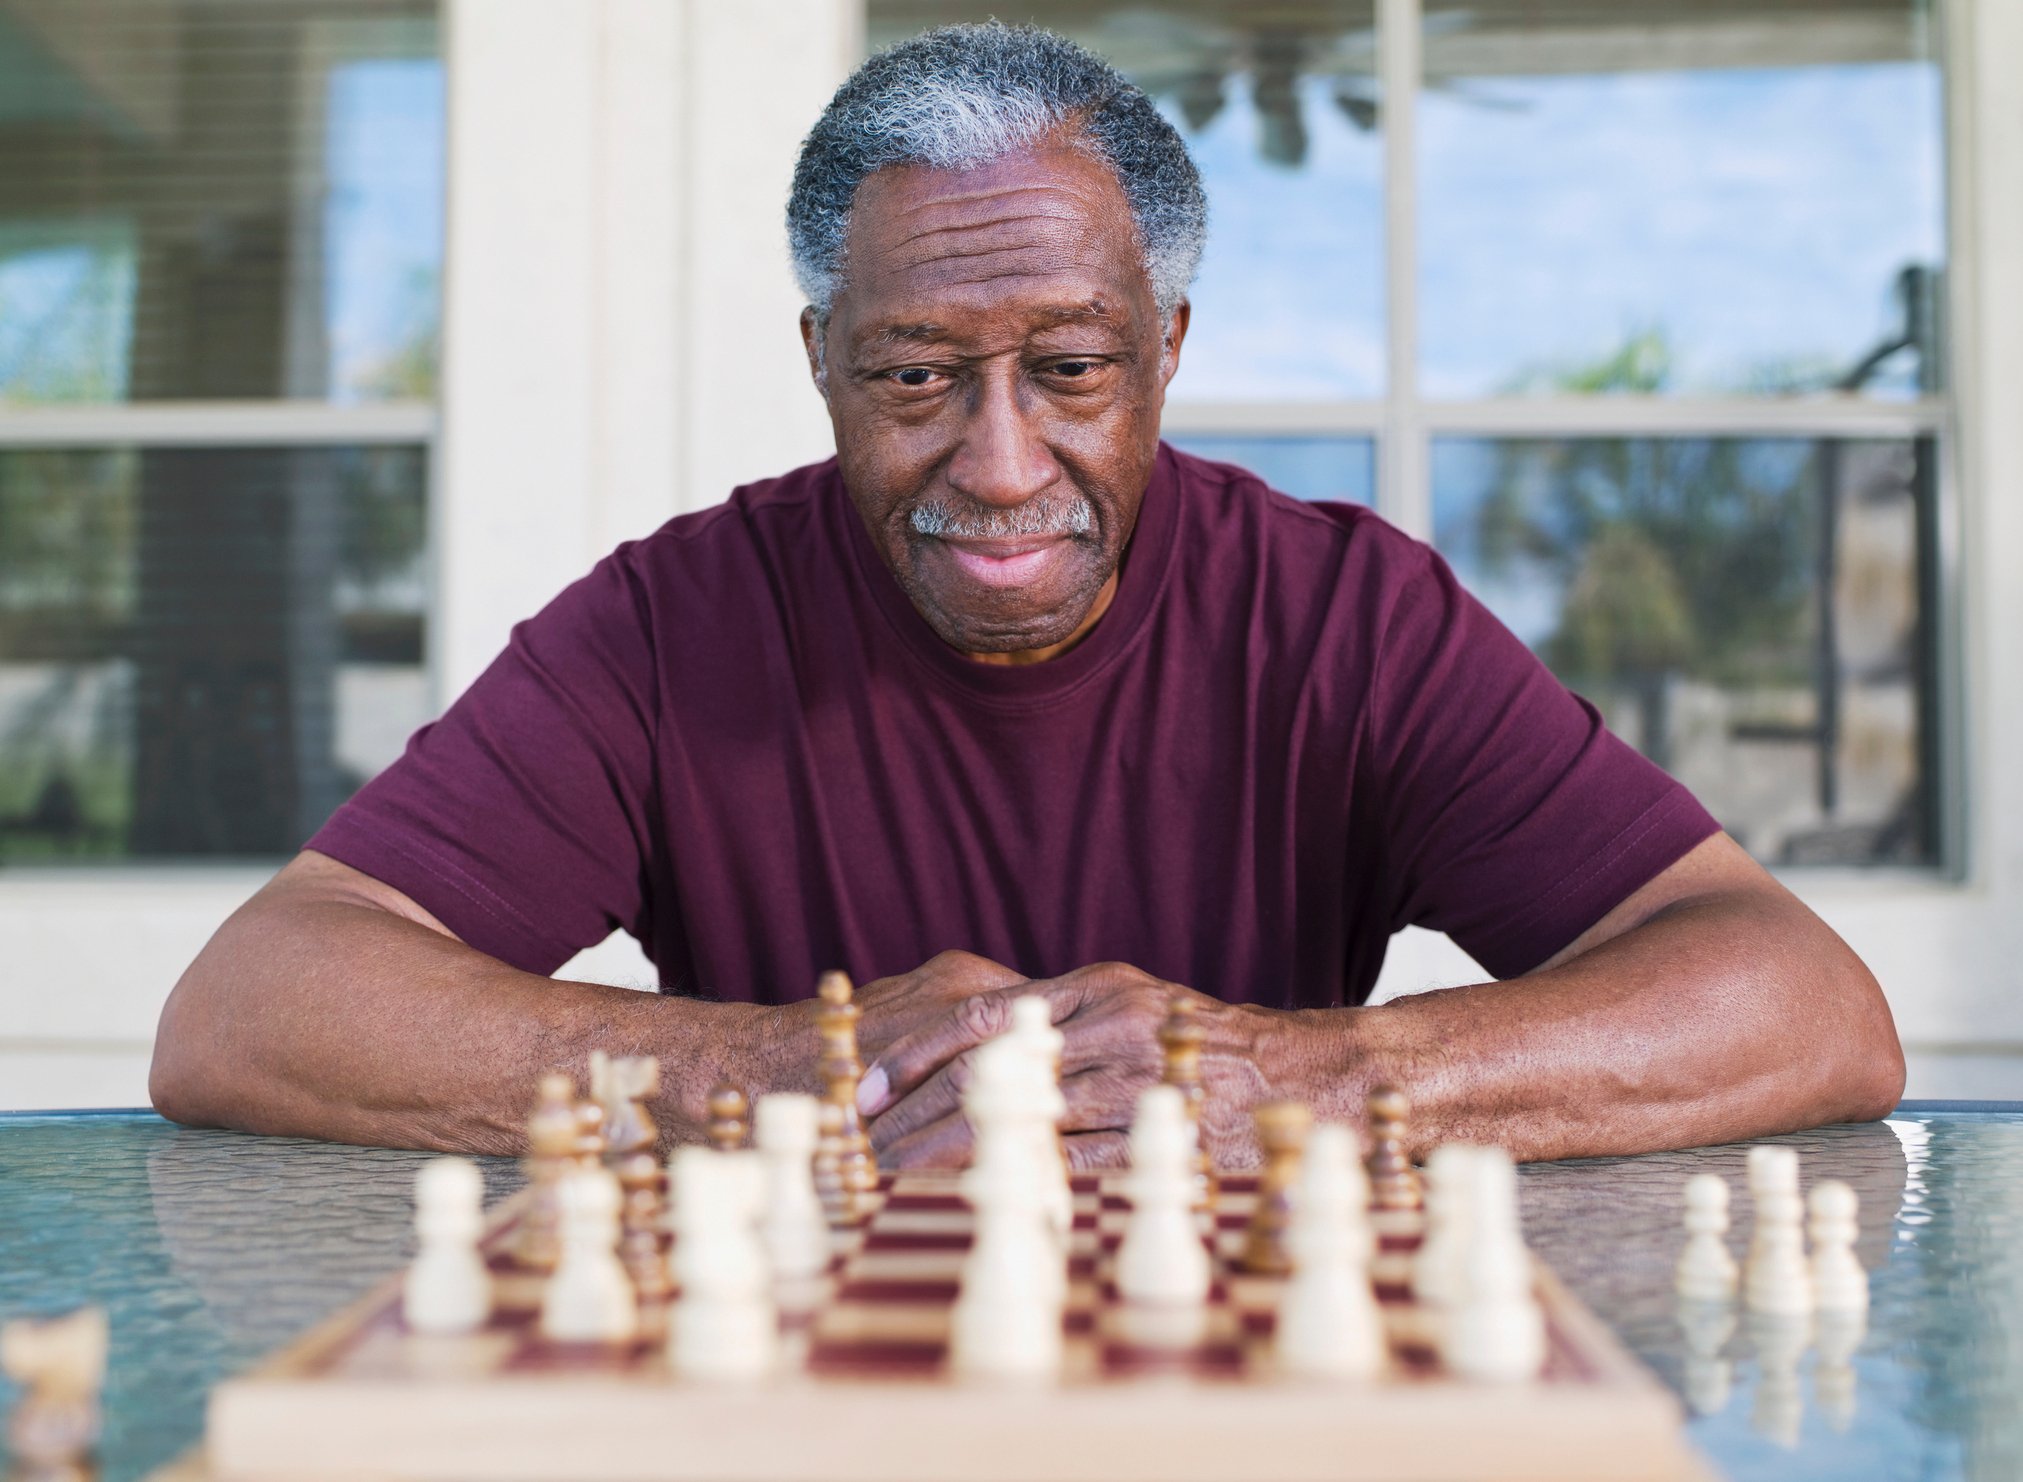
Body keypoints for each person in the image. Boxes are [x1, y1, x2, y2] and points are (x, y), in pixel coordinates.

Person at [149, 24, 1903, 1167]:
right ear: (823, 360)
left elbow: (1803, 1000)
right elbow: (254, 1006)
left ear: (1169, 355)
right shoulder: (673, 623)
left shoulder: (1344, 617)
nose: (999, 463)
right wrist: (778, 1072)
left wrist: (1291, 1082)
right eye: (918, 377)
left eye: (1070, 369)